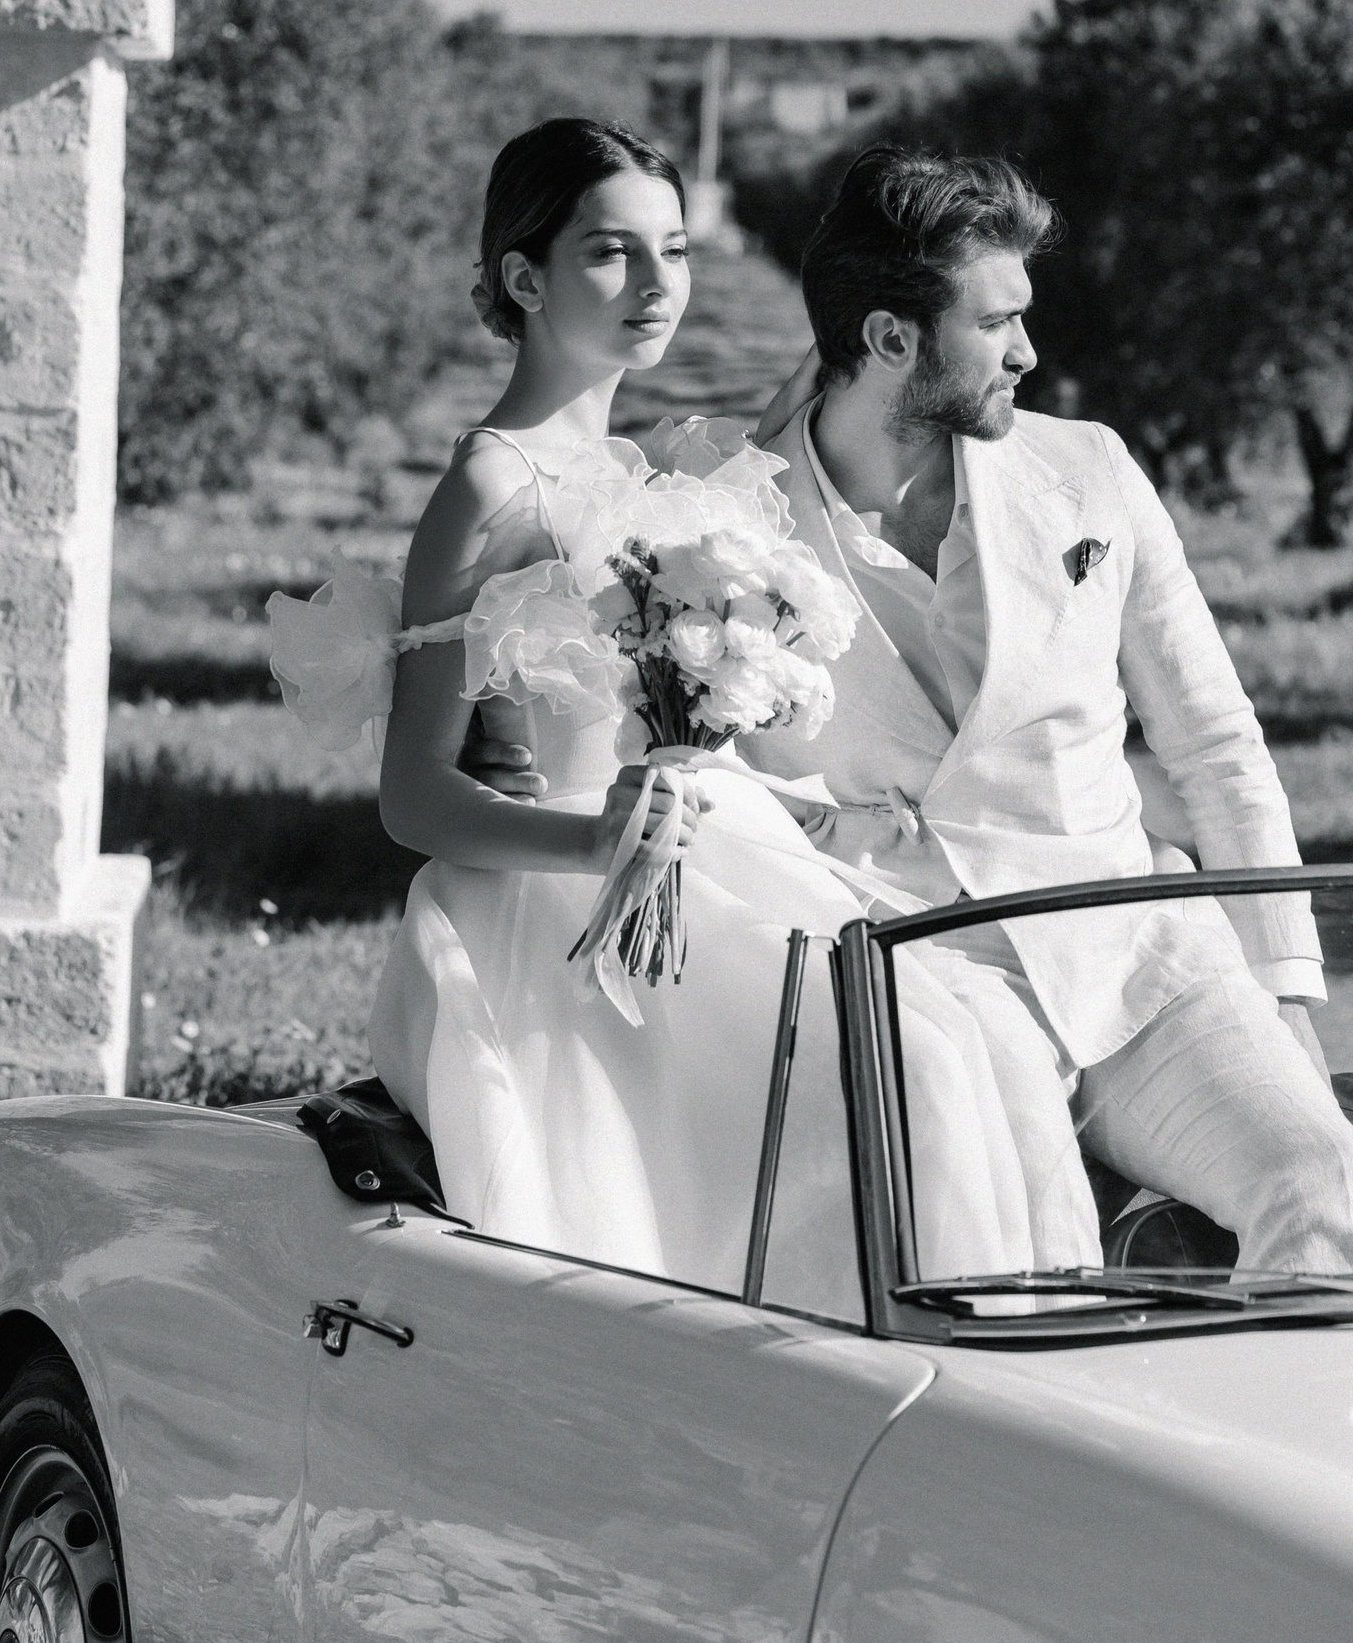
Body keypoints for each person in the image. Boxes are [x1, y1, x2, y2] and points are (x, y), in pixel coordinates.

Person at [350, 117, 1099, 1299]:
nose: (657, 286)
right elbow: (412, 797)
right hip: (562, 902)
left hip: (714, 847)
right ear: (524, 279)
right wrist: (598, 844)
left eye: (676, 250)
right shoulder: (489, 484)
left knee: (964, 1047)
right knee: (906, 1079)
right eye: (611, 253)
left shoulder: (644, 467)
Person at [738, 144, 1353, 1274]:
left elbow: (1215, 743)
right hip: (925, 977)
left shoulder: (1090, 470)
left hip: (1133, 953)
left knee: (1323, 1174)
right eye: (996, 323)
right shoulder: (732, 527)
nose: (1028, 353)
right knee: (1039, 1254)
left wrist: (1284, 990)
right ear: (890, 339)